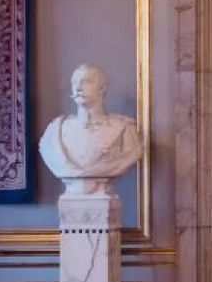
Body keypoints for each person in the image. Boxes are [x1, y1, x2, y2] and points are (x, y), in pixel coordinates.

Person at [39, 64, 142, 194]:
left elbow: (131, 154)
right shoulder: (55, 131)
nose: (78, 88)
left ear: (102, 88)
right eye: (74, 82)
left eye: (86, 81)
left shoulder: (124, 129)